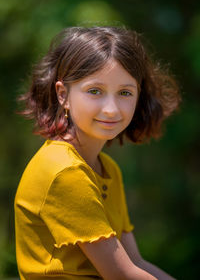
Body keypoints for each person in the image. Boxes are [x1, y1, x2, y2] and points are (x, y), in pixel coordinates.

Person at [14, 26, 181, 280]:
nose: (112, 109)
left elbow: (135, 262)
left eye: (125, 92)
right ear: (63, 95)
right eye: (95, 91)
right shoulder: (64, 171)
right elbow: (121, 274)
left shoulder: (108, 170)